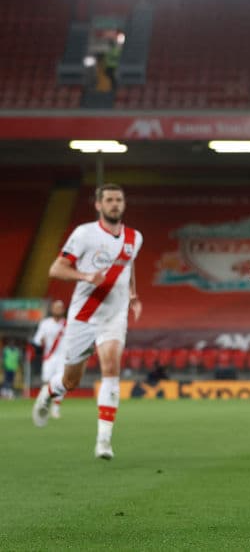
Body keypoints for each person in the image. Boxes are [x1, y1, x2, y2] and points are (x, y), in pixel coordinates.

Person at [31, 184, 143, 460]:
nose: (115, 204)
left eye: (119, 199)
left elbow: (128, 267)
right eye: (109, 200)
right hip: (84, 315)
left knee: (111, 368)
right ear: (98, 205)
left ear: (124, 204)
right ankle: (49, 392)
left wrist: (133, 295)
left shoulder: (134, 237)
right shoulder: (84, 234)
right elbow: (56, 268)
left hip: (114, 316)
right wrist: (85, 276)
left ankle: (103, 441)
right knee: (71, 380)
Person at [31, 300, 69, 418]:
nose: (58, 310)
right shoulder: (45, 324)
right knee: (47, 382)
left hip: (63, 359)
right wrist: (40, 341)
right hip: (49, 358)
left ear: (63, 310)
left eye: (60, 308)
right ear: (52, 309)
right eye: (56, 308)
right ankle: (42, 404)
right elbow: (37, 339)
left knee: (61, 384)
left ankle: (56, 408)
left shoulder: (68, 325)